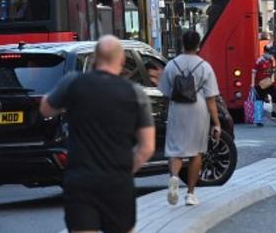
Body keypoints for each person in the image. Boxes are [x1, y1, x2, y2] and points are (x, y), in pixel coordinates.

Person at [39, 35, 155, 233]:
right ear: (121, 61)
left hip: (81, 181)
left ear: (95, 58)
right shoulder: (135, 93)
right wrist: (126, 169)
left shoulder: (73, 83)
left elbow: (46, 109)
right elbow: (147, 147)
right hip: (118, 182)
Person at [158, 30, 222, 206]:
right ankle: (191, 194)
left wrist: (167, 110)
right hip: (198, 111)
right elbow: (211, 98)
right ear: (198, 45)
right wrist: (216, 122)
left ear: (182, 44)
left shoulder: (171, 65)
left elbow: (164, 94)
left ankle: (174, 178)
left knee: (175, 150)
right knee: (196, 153)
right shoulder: (204, 66)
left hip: (177, 110)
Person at [252, 44, 276, 121]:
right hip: (260, 84)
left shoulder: (270, 60)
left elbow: (271, 70)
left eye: (271, 53)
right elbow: (253, 72)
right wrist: (252, 84)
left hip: (268, 83)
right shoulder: (259, 60)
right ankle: (258, 118)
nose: (270, 55)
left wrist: (274, 71)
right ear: (264, 52)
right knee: (259, 100)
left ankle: (274, 112)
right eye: (269, 53)